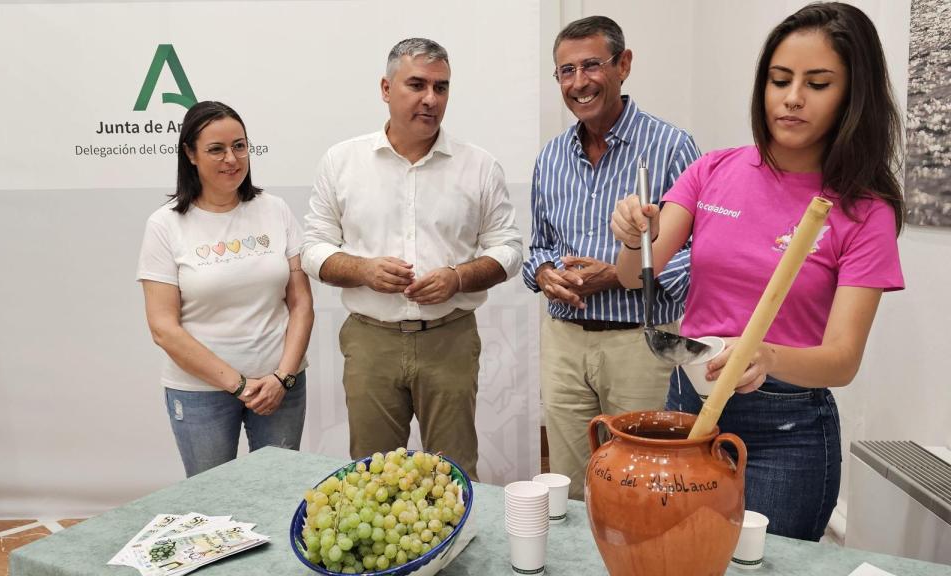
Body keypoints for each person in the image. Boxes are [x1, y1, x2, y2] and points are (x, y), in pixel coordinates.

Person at [611, 3, 904, 541]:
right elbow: (634, 275)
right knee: (678, 553)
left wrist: (763, 355)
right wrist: (633, 235)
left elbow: (841, 361)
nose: (792, 98)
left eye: (817, 84)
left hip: (787, 430)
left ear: (851, 97)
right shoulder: (713, 171)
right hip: (689, 402)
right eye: (779, 79)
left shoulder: (863, 210)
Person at [301, 38, 522, 480]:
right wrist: (363, 270)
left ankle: (457, 548)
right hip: (371, 341)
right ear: (386, 88)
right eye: (416, 84)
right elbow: (313, 249)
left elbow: (509, 250)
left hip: (450, 340)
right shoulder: (342, 161)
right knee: (372, 476)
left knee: (454, 474)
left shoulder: (479, 166)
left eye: (441, 88)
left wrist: (458, 278)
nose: (431, 99)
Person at [522, 15, 700, 499]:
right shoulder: (551, 157)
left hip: (639, 346)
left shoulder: (672, 148)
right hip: (563, 342)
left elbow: (700, 254)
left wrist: (622, 276)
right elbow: (537, 245)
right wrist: (542, 273)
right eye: (565, 71)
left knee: (644, 481)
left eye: (591, 66)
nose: (579, 82)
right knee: (571, 485)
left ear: (623, 65)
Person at [137, 101, 313, 478]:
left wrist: (282, 377)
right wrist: (241, 386)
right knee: (212, 507)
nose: (231, 158)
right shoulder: (165, 225)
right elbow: (163, 328)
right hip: (200, 394)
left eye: (239, 145)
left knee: (278, 493)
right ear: (190, 154)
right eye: (216, 149)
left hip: (280, 387)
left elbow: (301, 304)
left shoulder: (275, 209)